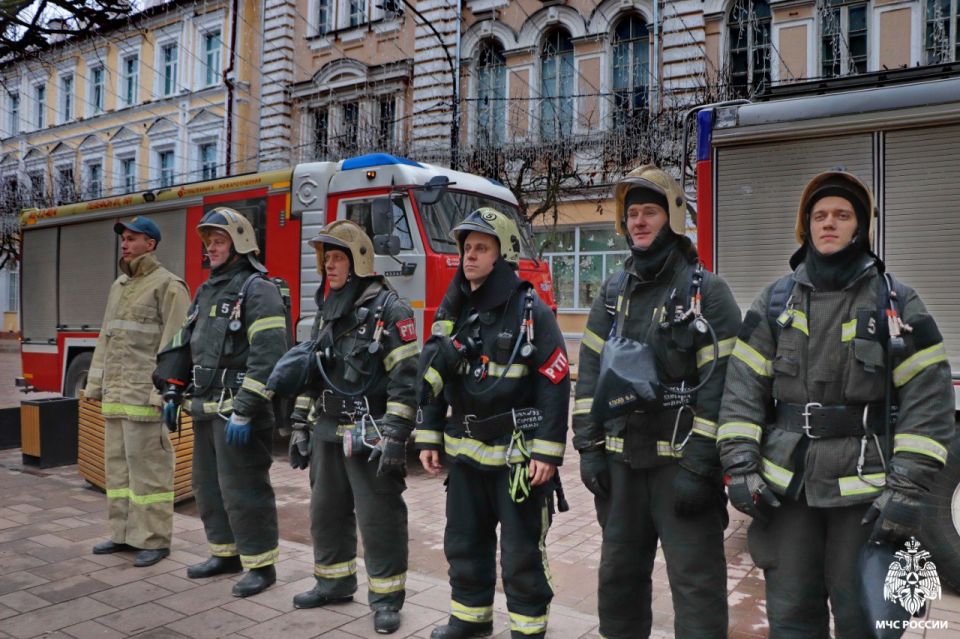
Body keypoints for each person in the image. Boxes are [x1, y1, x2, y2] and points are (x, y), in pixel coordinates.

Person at [717, 170, 955, 637]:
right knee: (790, 614)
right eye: (820, 215)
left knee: (860, 617)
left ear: (860, 227)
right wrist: (741, 466)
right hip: (789, 489)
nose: (829, 223)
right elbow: (741, 389)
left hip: (864, 493)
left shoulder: (896, 303)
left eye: (842, 215)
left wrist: (907, 489)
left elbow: (929, 402)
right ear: (806, 226)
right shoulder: (775, 302)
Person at [573, 165, 740, 638]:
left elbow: (723, 388)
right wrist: (588, 449)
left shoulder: (707, 293)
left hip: (681, 471)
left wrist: (700, 467)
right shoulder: (613, 292)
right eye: (632, 214)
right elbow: (589, 375)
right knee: (618, 581)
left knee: (697, 584)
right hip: (621, 467)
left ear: (673, 218)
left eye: (650, 211)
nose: (639, 221)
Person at [415, 208, 570, 639]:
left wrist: (547, 451)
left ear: (502, 254)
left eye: (481, 248)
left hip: (516, 458)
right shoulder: (454, 309)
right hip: (466, 456)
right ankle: (470, 618)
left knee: (521, 551)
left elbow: (555, 380)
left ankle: (527, 627)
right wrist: (428, 437)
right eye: (467, 248)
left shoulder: (530, 311)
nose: (470, 256)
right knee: (463, 542)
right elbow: (432, 376)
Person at [284, 220, 417, 635]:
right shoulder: (327, 308)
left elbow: (407, 380)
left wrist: (396, 435)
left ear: (359, 260)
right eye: (326, 258)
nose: (330, 266)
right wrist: (299, 424)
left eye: (338, 258)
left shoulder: (391, 310)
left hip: (370, 433)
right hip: (326, 429)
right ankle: (333, 583)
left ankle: (387, 599)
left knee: (379, 519)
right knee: (325, 513)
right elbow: (312, 372)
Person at [156, 207, 288, 597]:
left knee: (244, 488)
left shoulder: (258, 289)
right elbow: (185, 342)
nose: (210, 249)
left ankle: (261, 565)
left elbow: (270, 354)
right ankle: (225, 554)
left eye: (219, 241)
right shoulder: (207, 289)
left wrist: (246, 408)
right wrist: (172, 387)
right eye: (209, 242)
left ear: (240, 244)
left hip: (238, 413)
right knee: (208, 486)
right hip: (205, 408)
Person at [86, 216, 189, 567]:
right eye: (124, 238)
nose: (125, 243)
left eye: (133, 238)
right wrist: (95, 386)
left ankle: (154, 539)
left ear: (151, 244)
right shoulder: (118, 286)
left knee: (150, 472)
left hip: (146, 398)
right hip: (116, 398)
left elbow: (176, 345)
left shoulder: (169, 286)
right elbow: (106, 337)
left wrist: (166, 394)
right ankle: (122, 534)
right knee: (117, 471)